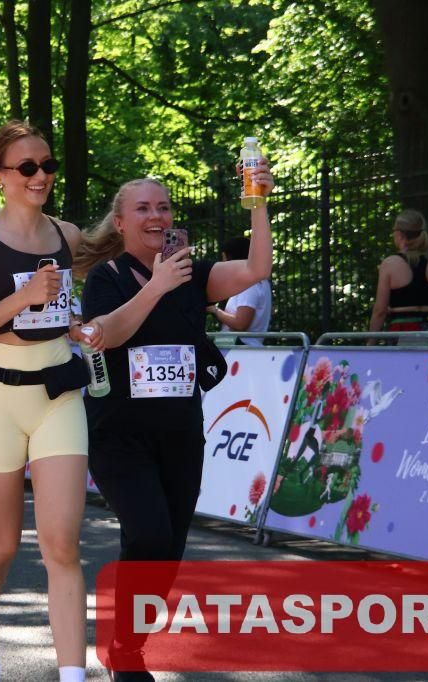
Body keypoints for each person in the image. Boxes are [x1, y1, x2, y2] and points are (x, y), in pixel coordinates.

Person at [74, 165, 273, 680]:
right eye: (143, 208)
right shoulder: (107, 277)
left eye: (163, 207)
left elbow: (257, 268)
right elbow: (107, 335)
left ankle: (128, 644)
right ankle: (126, 649)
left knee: (167, 549)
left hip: (181, 432)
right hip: (119, 433)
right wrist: (157, 285)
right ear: (120, 222)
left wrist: (258, 202)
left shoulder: (192, 274)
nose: (156, 216)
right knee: (148, 533)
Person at [0, 120, 96, 682]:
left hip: (58, 394)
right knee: (4, 543)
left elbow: (69, 306)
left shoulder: (69, 235)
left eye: (47, 165)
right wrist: (23, 297)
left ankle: (73, 675)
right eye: (27, 167)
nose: (41, 176)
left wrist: (79, 325)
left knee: (62, 544)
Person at [368, 209, 428, 343]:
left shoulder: (390, 264)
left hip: (402, 330)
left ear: (400, 234)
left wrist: (370, 343)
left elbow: (380, 310)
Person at [206, 236, 272, 345]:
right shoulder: (259, 281)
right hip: (242, 348)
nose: (223, 264)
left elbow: (241, 324)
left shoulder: (248, 285)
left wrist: (214, 310)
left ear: (232, 259)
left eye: (224, 259)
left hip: (241, 348)